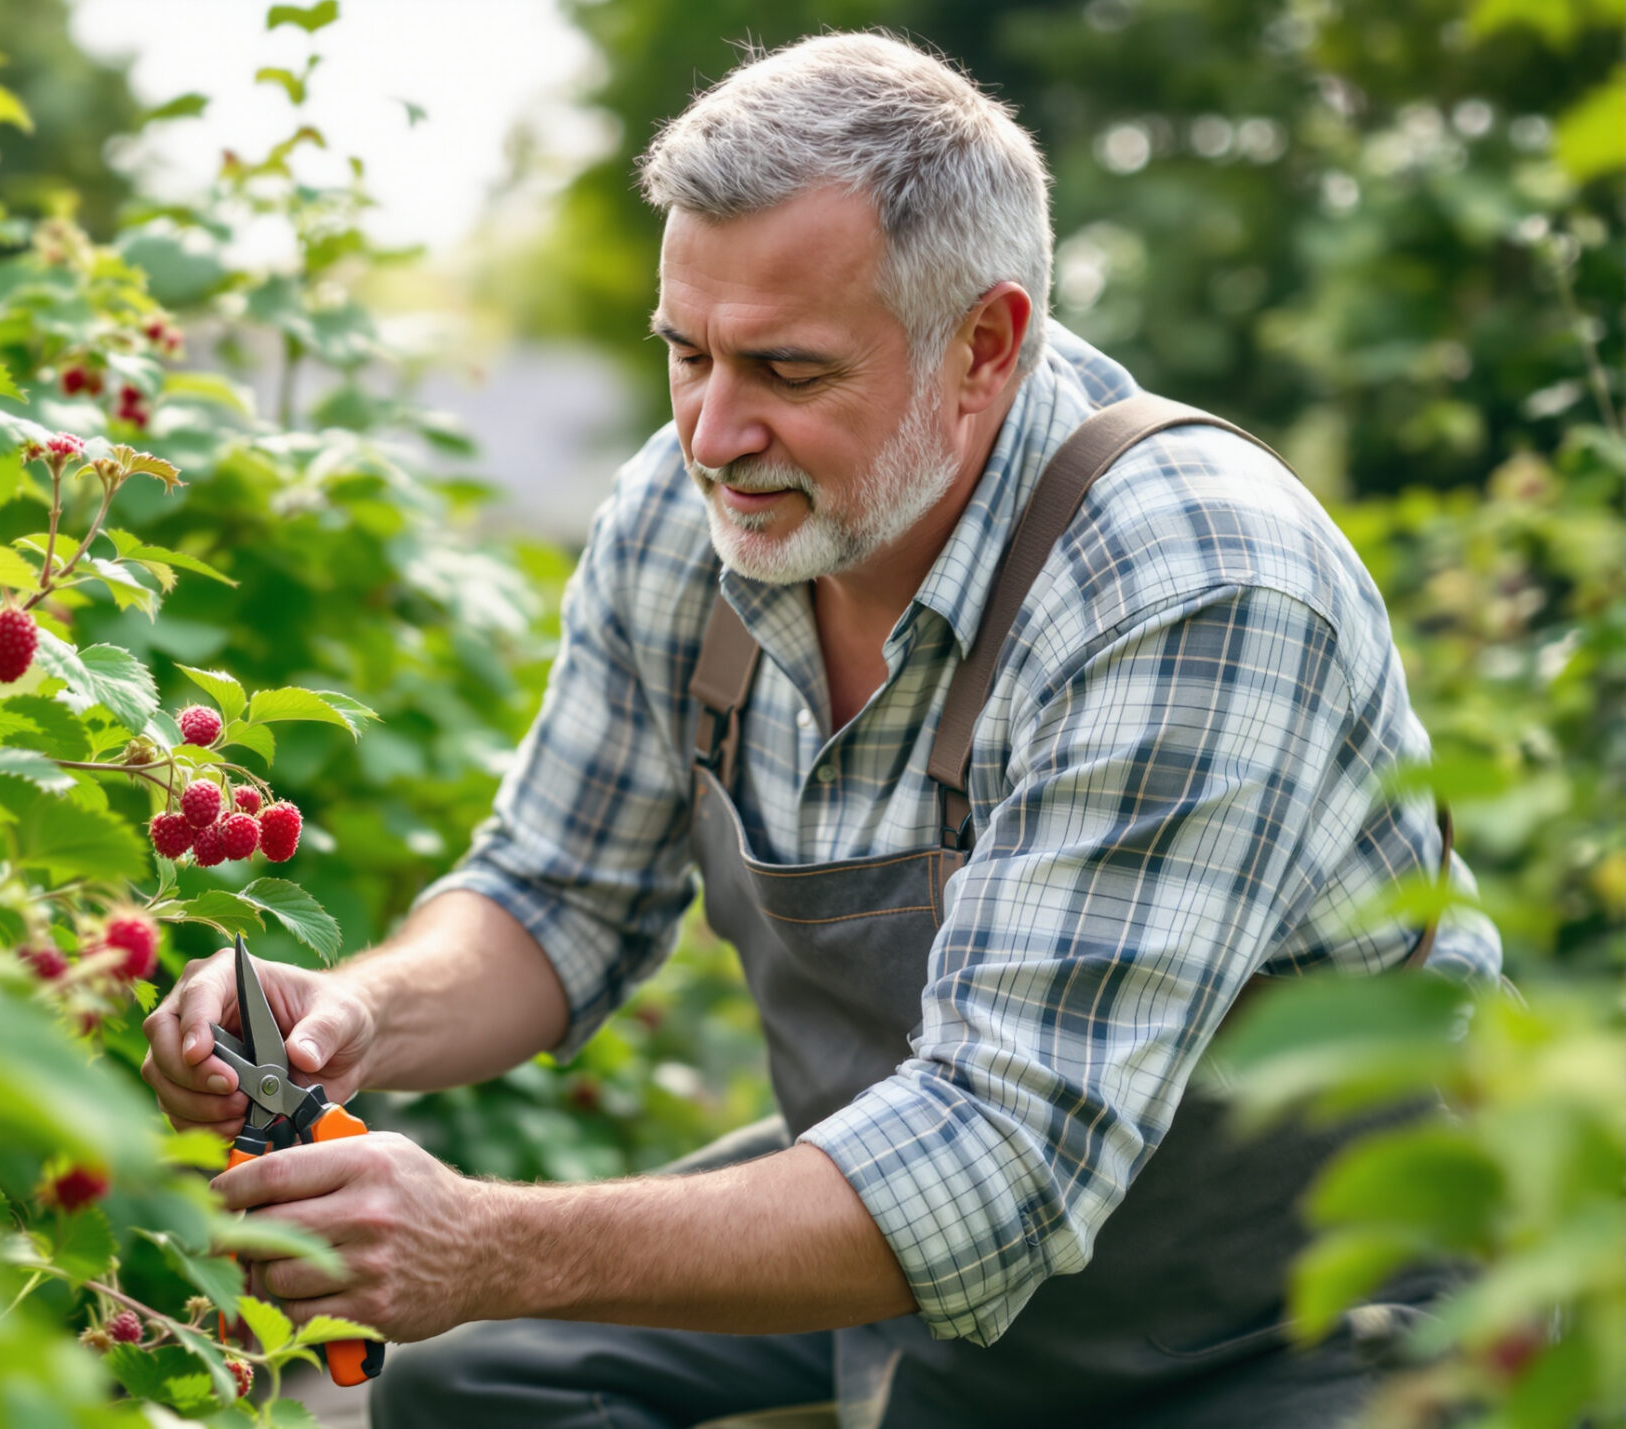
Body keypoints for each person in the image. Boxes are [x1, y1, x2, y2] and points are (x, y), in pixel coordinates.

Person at [140, 31, 1499, 1428]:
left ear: (985, 346)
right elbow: (555, 892)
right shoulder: (693, 517)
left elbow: (997, 1158)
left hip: (1305, 1319)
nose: (714, 431)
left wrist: (483, 1237)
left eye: (787, 372)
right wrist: (356, 1013)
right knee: (477, 1390)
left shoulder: (1192, 578)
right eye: (686, 354)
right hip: (940, 1270)